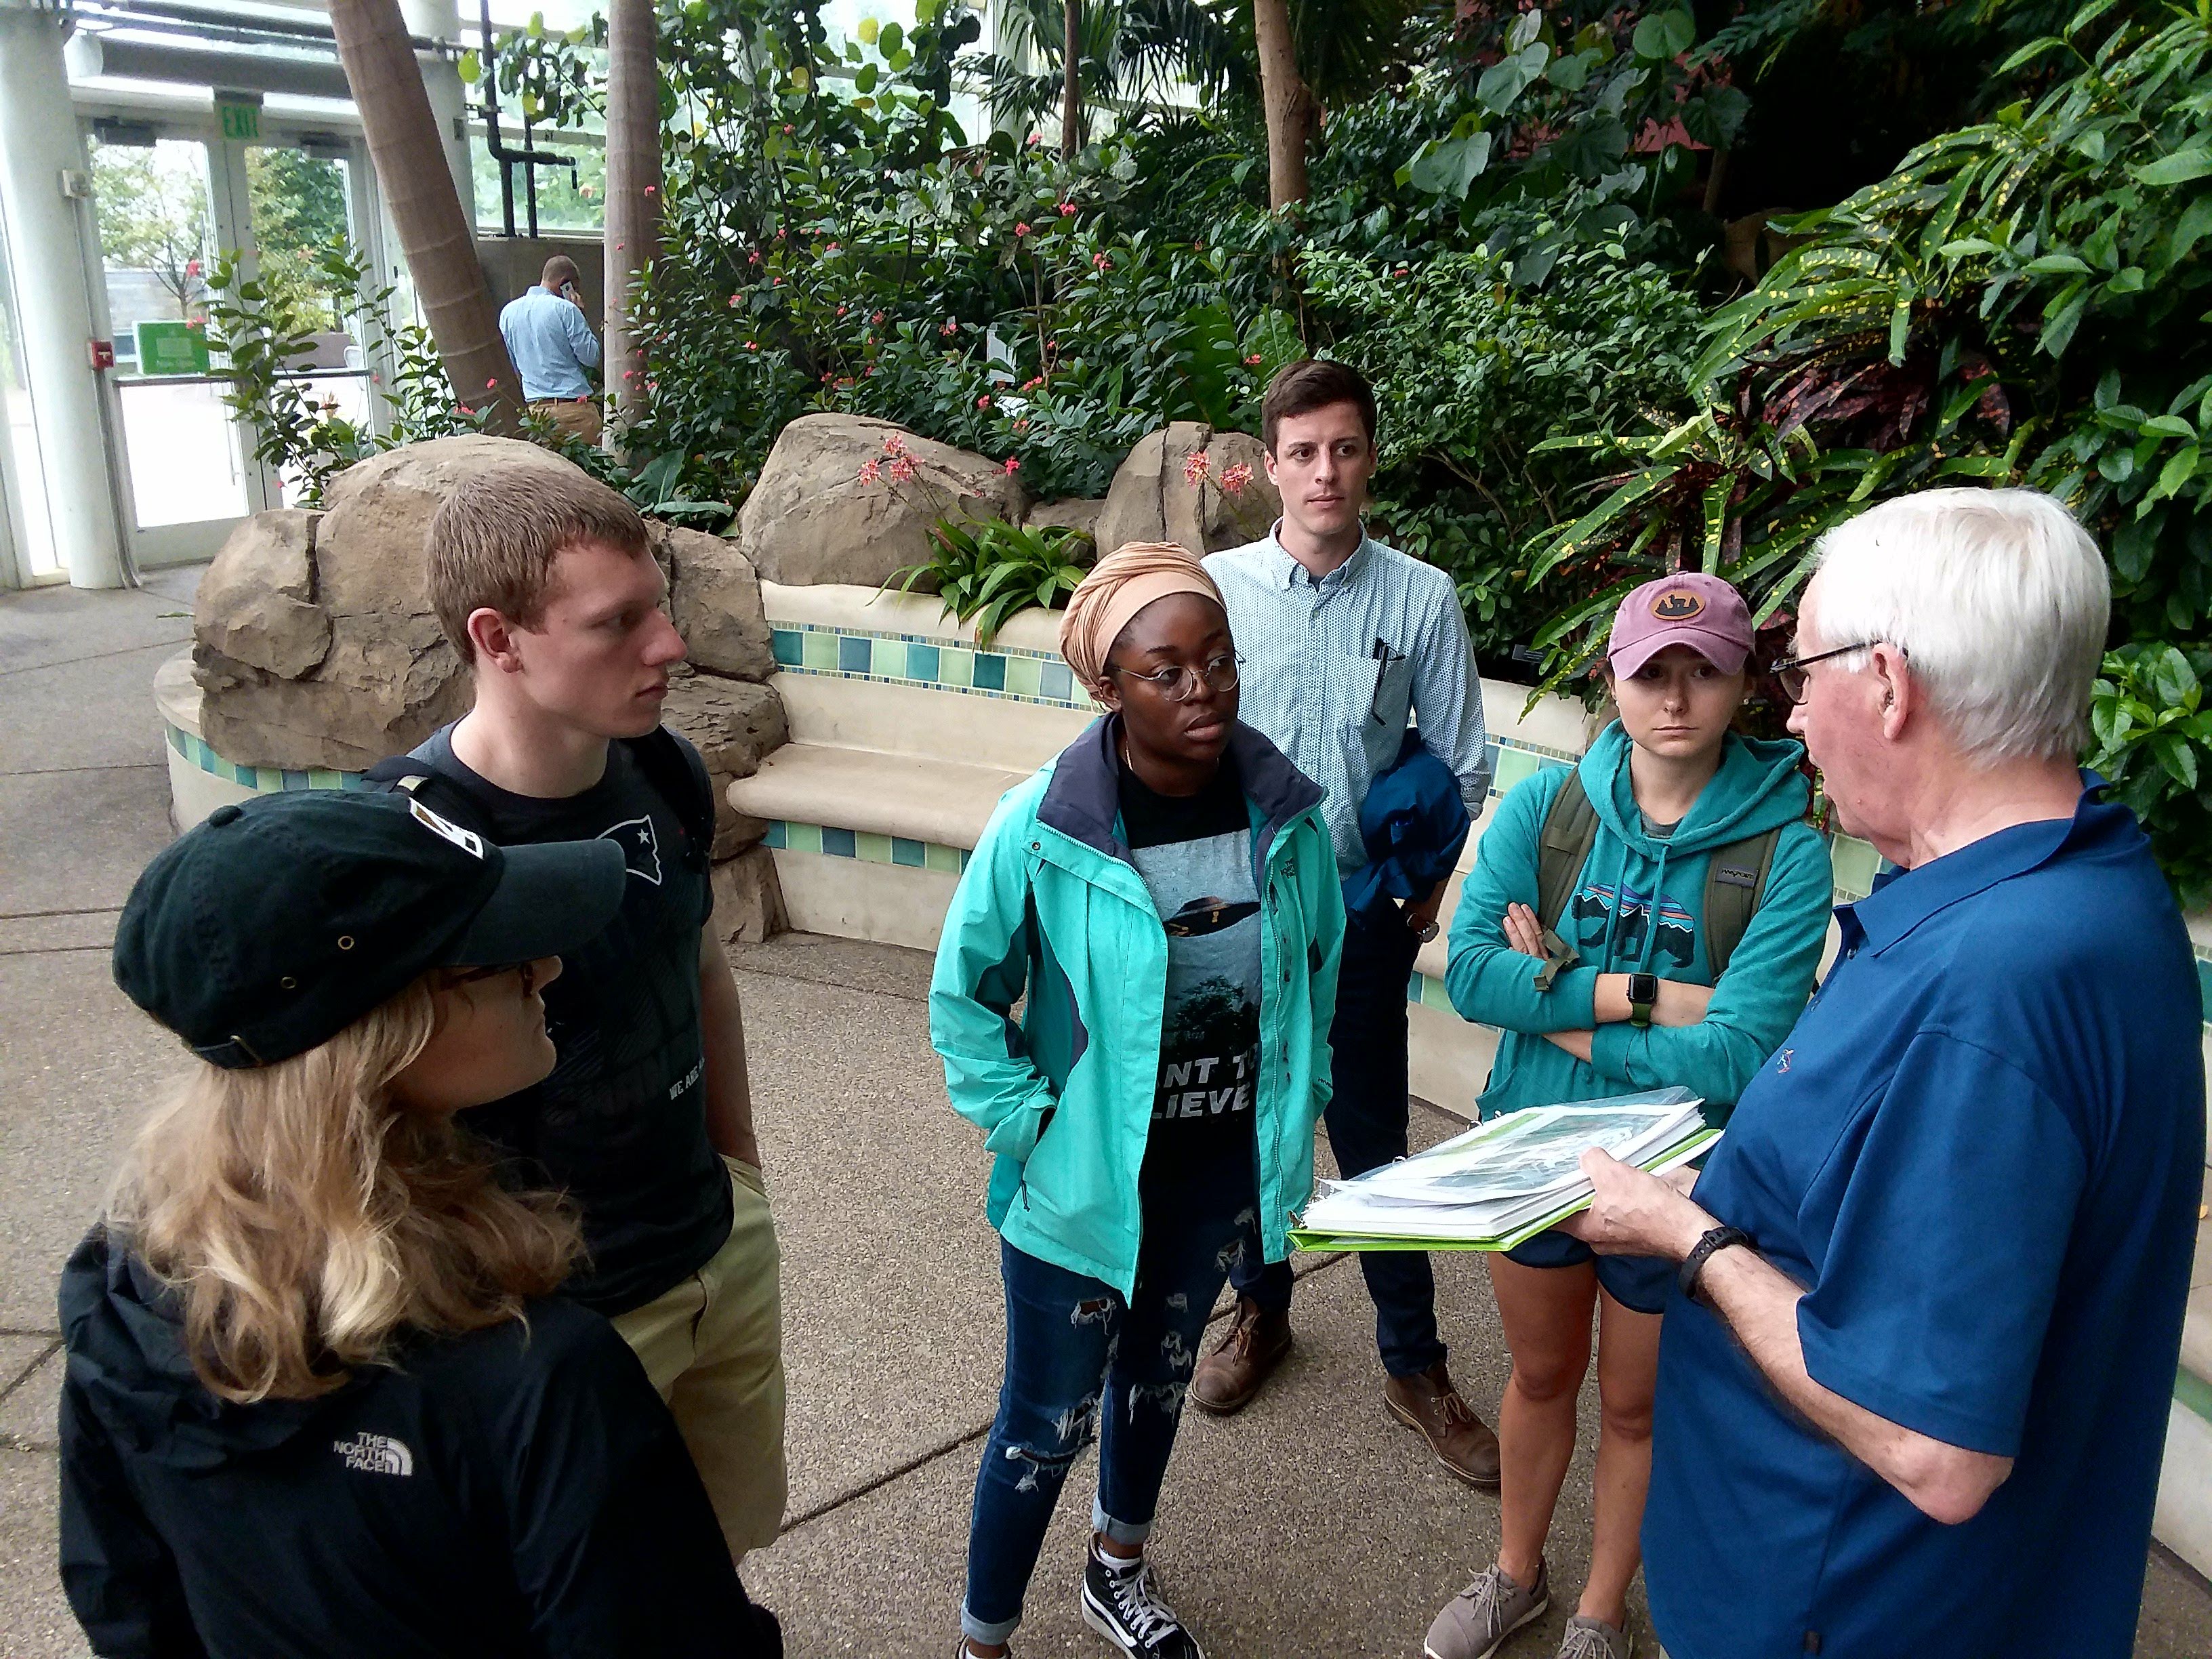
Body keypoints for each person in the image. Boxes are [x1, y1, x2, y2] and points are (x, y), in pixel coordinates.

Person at [1563, 489, 2205, 1659]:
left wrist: (1681, 1235)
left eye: (1803, 673)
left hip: (1843, 1600)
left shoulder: (1994, 985)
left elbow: (1934, 1447)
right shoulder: (2085, 879)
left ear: (1889, 685)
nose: (1793, 717)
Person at [58, 790, 783, 1658]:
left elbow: (126, 1603)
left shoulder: (123, 1293)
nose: (547, 967)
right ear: (385, 1030)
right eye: (495, 955)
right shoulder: (537, 1380)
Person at [931, 542, 1346, 1659]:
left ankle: (1115, 1570)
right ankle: (984, 1638)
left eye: (1216, 659)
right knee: (1041, 1422)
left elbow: (1314, 974)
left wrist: (1286, 1115)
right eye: (1165, 670)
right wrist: (1030, 1121)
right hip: (1081, 1189)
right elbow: (961, 994)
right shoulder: (1044, 825)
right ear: (1106, 686)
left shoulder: (1284, 818)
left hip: (1209, 1173)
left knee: (1157, 1379)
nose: (1202, 687)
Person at [374, 466, 785, 1558]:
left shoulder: (667, 770)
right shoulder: (406, 848)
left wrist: (738, 1173)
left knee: (725, 1545)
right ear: (498, 641)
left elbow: (701, 971)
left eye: (662, 606)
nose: (670, 647)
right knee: (582, 1591)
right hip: (547, 1313)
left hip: (712, 1242)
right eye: (618, 623)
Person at [1424, 574, 1834, 1659]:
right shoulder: (1548, 810)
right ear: (1615, 674)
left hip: (1679, 1177)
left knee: (1639, 1406)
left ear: (1746, 680)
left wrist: (1556, 1003)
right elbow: (1470, 974)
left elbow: (1739, 1055)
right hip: (1535, 1153)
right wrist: (1643, 994)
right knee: (1542, 1375)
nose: (1679, 696)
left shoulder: (1784, 851)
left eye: (1706, 670)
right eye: (1655, 670)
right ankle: (1517, 1573)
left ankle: (1602, 1610)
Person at [1197, 358, 1500, 1487]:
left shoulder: (1420, 597)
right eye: (1302, 451)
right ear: (1267, 464)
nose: (1324, 471)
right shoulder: (1214, 588)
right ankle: (1258, 1309)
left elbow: (1464, 764)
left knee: (1373, 1139)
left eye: (1343, 447)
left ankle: (1411, 1361)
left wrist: (1413, 894)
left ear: (1369, 456)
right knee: (1243, 1124)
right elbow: (1176, 740)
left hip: (1361, 916)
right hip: (1234, 915)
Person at [499, 255, 603, 443]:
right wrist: (580, 312)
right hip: (575, 411)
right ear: (565, 284)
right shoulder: (567, 309)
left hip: (537, 414)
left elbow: (512, 363)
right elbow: (590, 357)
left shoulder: (508, 313)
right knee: (588, 471)